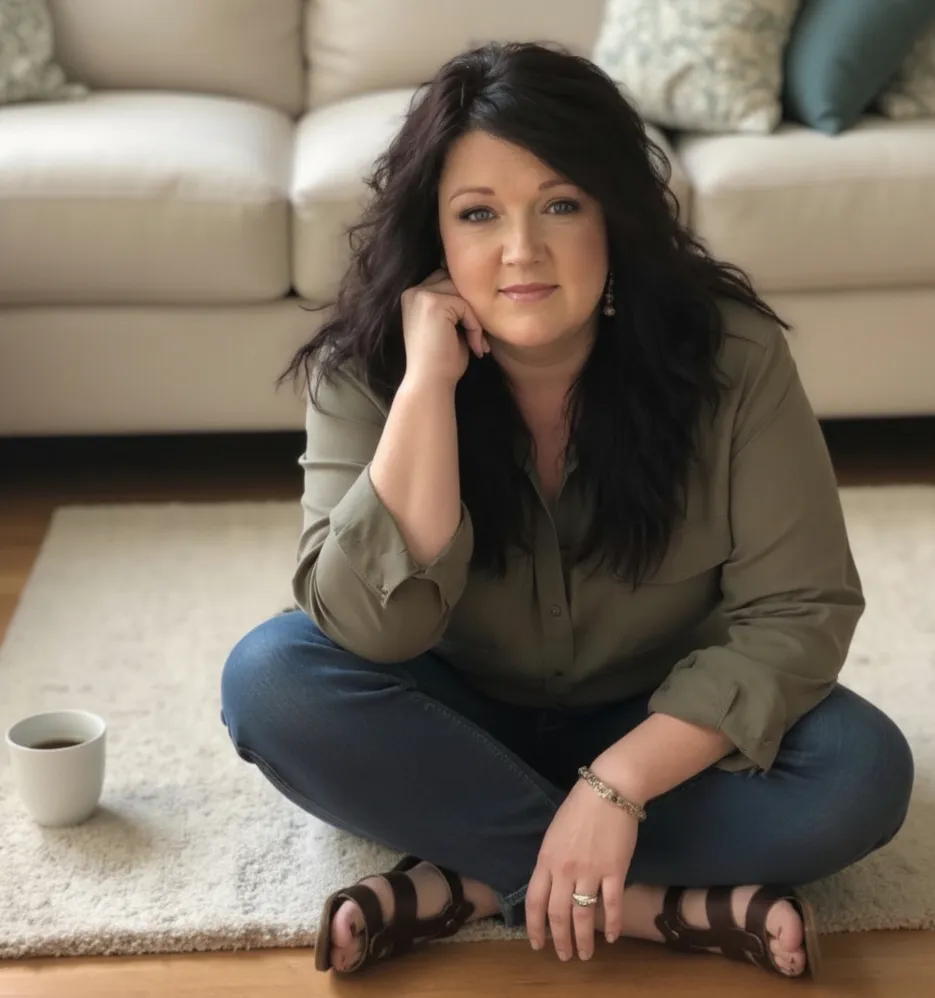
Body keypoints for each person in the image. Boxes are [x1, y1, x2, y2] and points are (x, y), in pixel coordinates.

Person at [219, 41, 914, 981]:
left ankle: (470, 872)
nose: (520, 251)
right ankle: (644, 906)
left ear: (611, 216)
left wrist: (619, 785)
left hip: (663, 725)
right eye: (476, 215)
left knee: (860, 773)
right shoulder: (369, 371)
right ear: (435, 236)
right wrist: (427, 388)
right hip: (454, 715)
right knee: (271, 681)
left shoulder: (731, 358)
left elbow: (799, 612)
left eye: (558, 204)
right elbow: (363, 630)